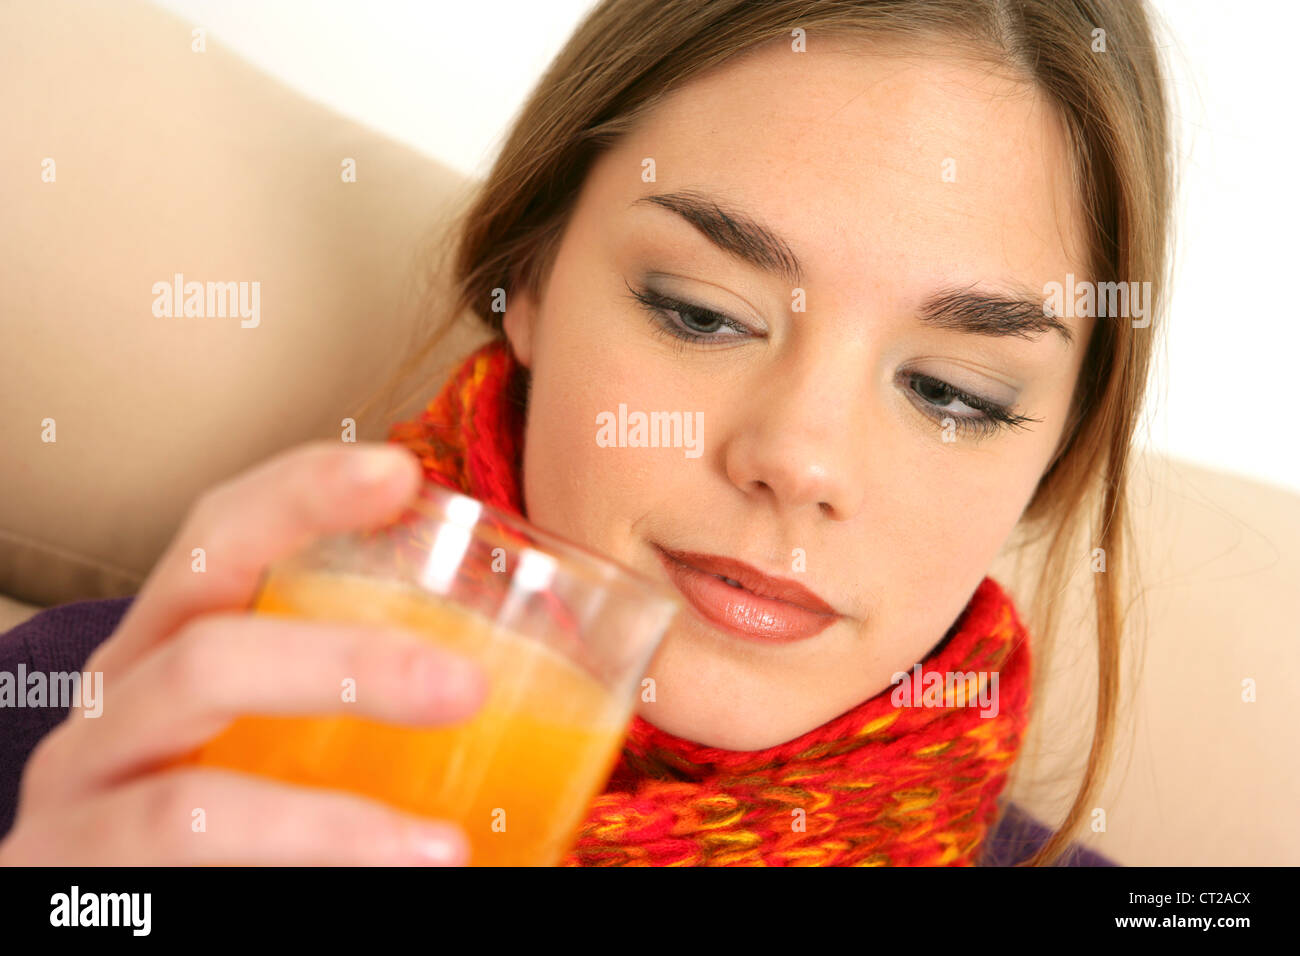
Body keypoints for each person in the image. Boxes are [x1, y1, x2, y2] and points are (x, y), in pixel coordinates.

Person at [0, 0, 1171, 866]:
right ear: (530, 283)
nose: (800, 456)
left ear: (1052, 458)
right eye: (701, 313)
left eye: (954, 392)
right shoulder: (92, 739)